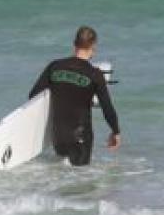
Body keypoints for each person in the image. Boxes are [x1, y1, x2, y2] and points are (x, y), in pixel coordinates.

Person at [28, 26, 120, 166]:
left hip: (58, 136)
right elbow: (107, 108)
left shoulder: (54, 67)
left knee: (63, 176)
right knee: (79, 181)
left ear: (74, 44)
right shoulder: (95, 74)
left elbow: (34, 95)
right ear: (93, 46)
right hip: (80, 137)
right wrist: (115, 131)